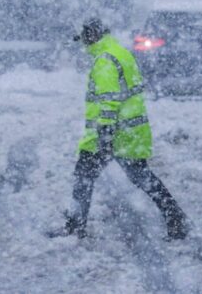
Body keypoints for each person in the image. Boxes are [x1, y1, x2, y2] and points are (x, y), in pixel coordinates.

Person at [48, 17, 189, 240]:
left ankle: (75, 227)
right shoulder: (120, 53)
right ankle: (176, 219)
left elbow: (109, 102)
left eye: (84, 40)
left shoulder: (104, 61)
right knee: (142, 177)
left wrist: (104, 136)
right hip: (130, 131)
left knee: (83, 177)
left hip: (110, 133)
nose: (83, 47)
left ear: (91, 37)